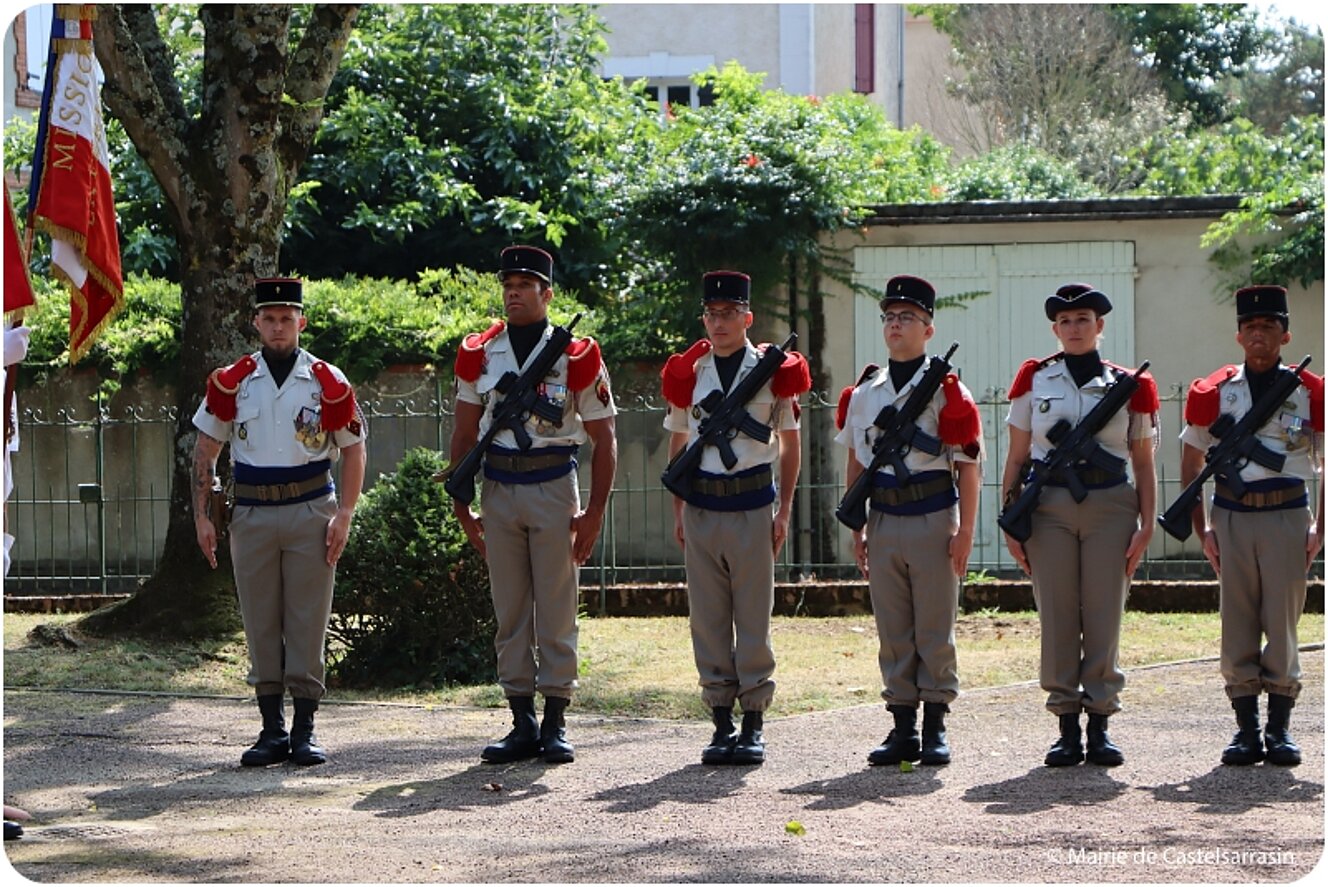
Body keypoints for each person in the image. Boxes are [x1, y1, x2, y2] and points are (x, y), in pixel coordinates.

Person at [449, 245, 617, 765]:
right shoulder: (481, 352)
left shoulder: (576, 356)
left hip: (551, 486)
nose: (514, 293)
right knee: (511, 606)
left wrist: (594, 512)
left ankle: (556, 719)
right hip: (497, 489)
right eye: (508, 285)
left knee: (557, 606)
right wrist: (463, 507)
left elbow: (605, 437)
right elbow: (462, 432)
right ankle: (521, 718)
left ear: (547, 293)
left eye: (525, 285)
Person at [192, 277, 366, 767]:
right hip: (251, 513)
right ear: (256, 322)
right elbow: (206, 450)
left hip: (311, 509)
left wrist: (345, 513)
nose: (277, 327)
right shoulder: (234, 381)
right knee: (260, 618)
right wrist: (203, 517)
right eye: (268, 318)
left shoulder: (328, 381)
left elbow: (354, 451)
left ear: (301, 322)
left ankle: (305, 730)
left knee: (308, 618)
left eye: (286, 318)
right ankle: (271, 729)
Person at [999, 283, 1158, 767]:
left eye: (1083, 319)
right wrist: (1010, 517)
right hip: (1049, 507)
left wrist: (1147, 522)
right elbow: (1018, 453)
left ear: (1100, 326)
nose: (1074, 328)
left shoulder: (1129, 385)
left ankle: (1101, 722)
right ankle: (1067, 723)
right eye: (1065, 321)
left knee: (1105, 611)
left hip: (1111, 504)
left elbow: (1144, 459)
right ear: (1055, 329)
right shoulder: (1035, 380)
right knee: (1059, 612)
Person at [661, 270, 810, 765]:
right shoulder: (690, 372)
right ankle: (720, 718)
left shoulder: (772, 372)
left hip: (751, 505)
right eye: (711, 313)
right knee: (706, 617)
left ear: (748, 318)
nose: (718, 322)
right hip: (703, 505)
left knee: (752, 616)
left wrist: (784, 508)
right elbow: (678, 441)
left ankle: (753, 721)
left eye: (728, 314)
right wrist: (680, 509)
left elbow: (790, 444)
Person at [833, 275, 983, 767]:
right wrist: (857, 527)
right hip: (883, 517)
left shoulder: (945, 391)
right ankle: (902, 728)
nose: (896, 326)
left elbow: (967, 464)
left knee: (934, 626)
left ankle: (936, 726)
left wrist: (964, 531)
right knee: (894, 628)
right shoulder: (865, 392)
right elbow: (857, 461)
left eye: (908, 318)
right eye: (890, 318)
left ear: (928, 329)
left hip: (932, 515)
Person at [1177, 285, 1323, 767]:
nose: (1259, 334)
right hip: (1233, 516)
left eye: (1269, 327)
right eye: (1250, 327)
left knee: (1282, 622)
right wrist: (1203, 529)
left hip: (1286, 514)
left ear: (1285, 334)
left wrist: (1319, 527)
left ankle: (1279, 730)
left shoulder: (1311, 391)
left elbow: (1323, 461)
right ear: (1238, 336)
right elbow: (1191, 459)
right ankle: (1245, 730)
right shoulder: (1215, 391)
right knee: (1236, 622)